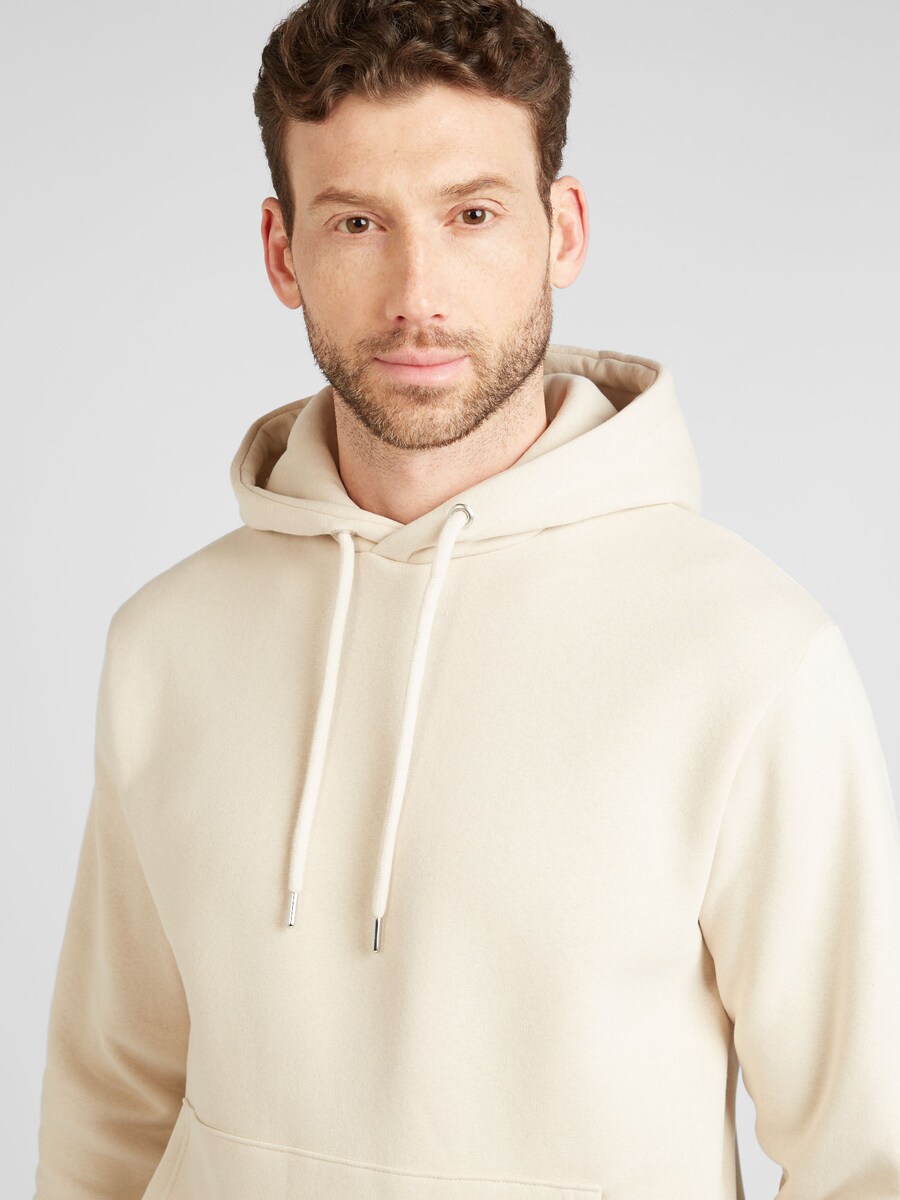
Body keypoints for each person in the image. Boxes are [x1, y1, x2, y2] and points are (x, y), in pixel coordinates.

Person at [32, 0, 900, 1197]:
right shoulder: (166, 644)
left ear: (563, 229)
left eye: (473, 214)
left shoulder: (750, 657)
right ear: (282, 250)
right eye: (357, 222)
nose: (418, 293)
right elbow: (110, 1108)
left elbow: (867, 1153)